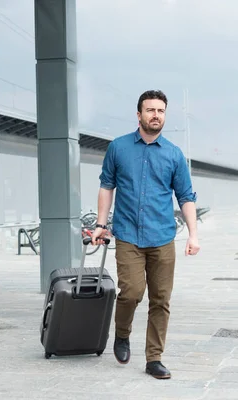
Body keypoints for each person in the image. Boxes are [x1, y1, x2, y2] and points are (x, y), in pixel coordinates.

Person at [91, 89, 200, 380]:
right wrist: (101, 224)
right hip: (128, 234)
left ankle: (154, 358)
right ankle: (122, 334)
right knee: (132, 293)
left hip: (163, 237)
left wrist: (193, 235)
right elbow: (106, 186)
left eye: (161, 111)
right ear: (139, 115)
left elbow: (186, 196)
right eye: (150, 110)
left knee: (161, 300)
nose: (156, 115)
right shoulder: (118, 147)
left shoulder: (174, 155)